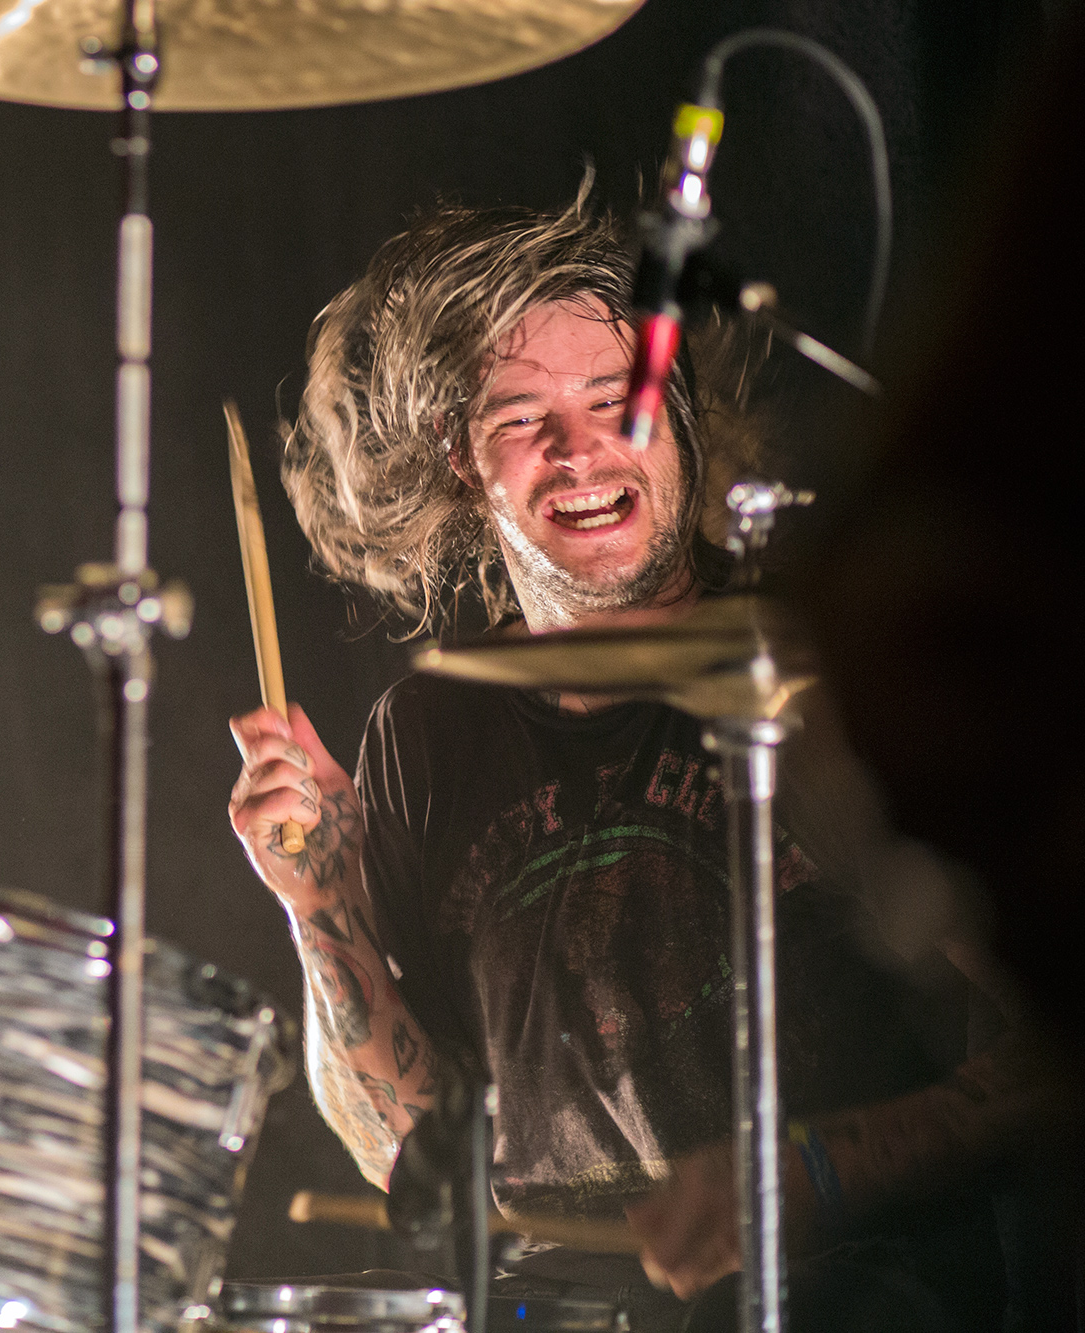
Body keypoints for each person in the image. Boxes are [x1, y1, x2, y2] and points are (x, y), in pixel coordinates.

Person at [227, 189, 1044, 1330]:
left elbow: (1054, 1056)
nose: (580, 450)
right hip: (549, 1308)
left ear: (681, 419)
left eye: (617, 401)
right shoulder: (427, 733)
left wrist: (817, 1171)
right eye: (521, 417)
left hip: (843, 1293)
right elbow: (405, 1149)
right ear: (460, 457)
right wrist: (320, 904)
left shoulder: (823, 676)